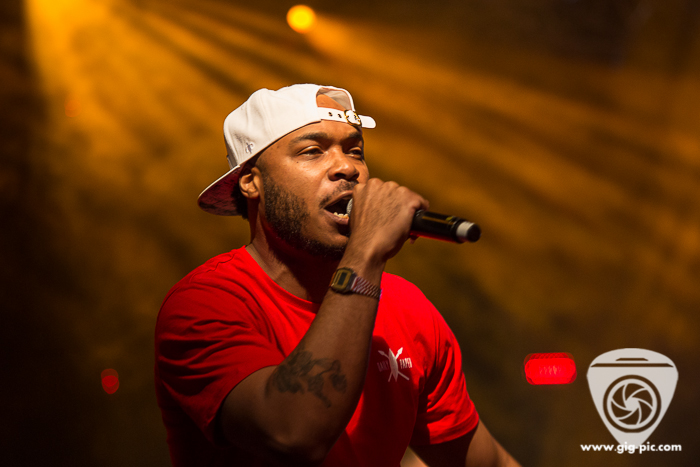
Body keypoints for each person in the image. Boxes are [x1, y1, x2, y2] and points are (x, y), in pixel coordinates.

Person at [155, 84, 520, 467]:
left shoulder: (407, 308)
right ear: (251, 181)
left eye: (355, 151)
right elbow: (292, 434)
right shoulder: (204, 303)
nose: (348, 167)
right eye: (313, 151)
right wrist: (367, 253)